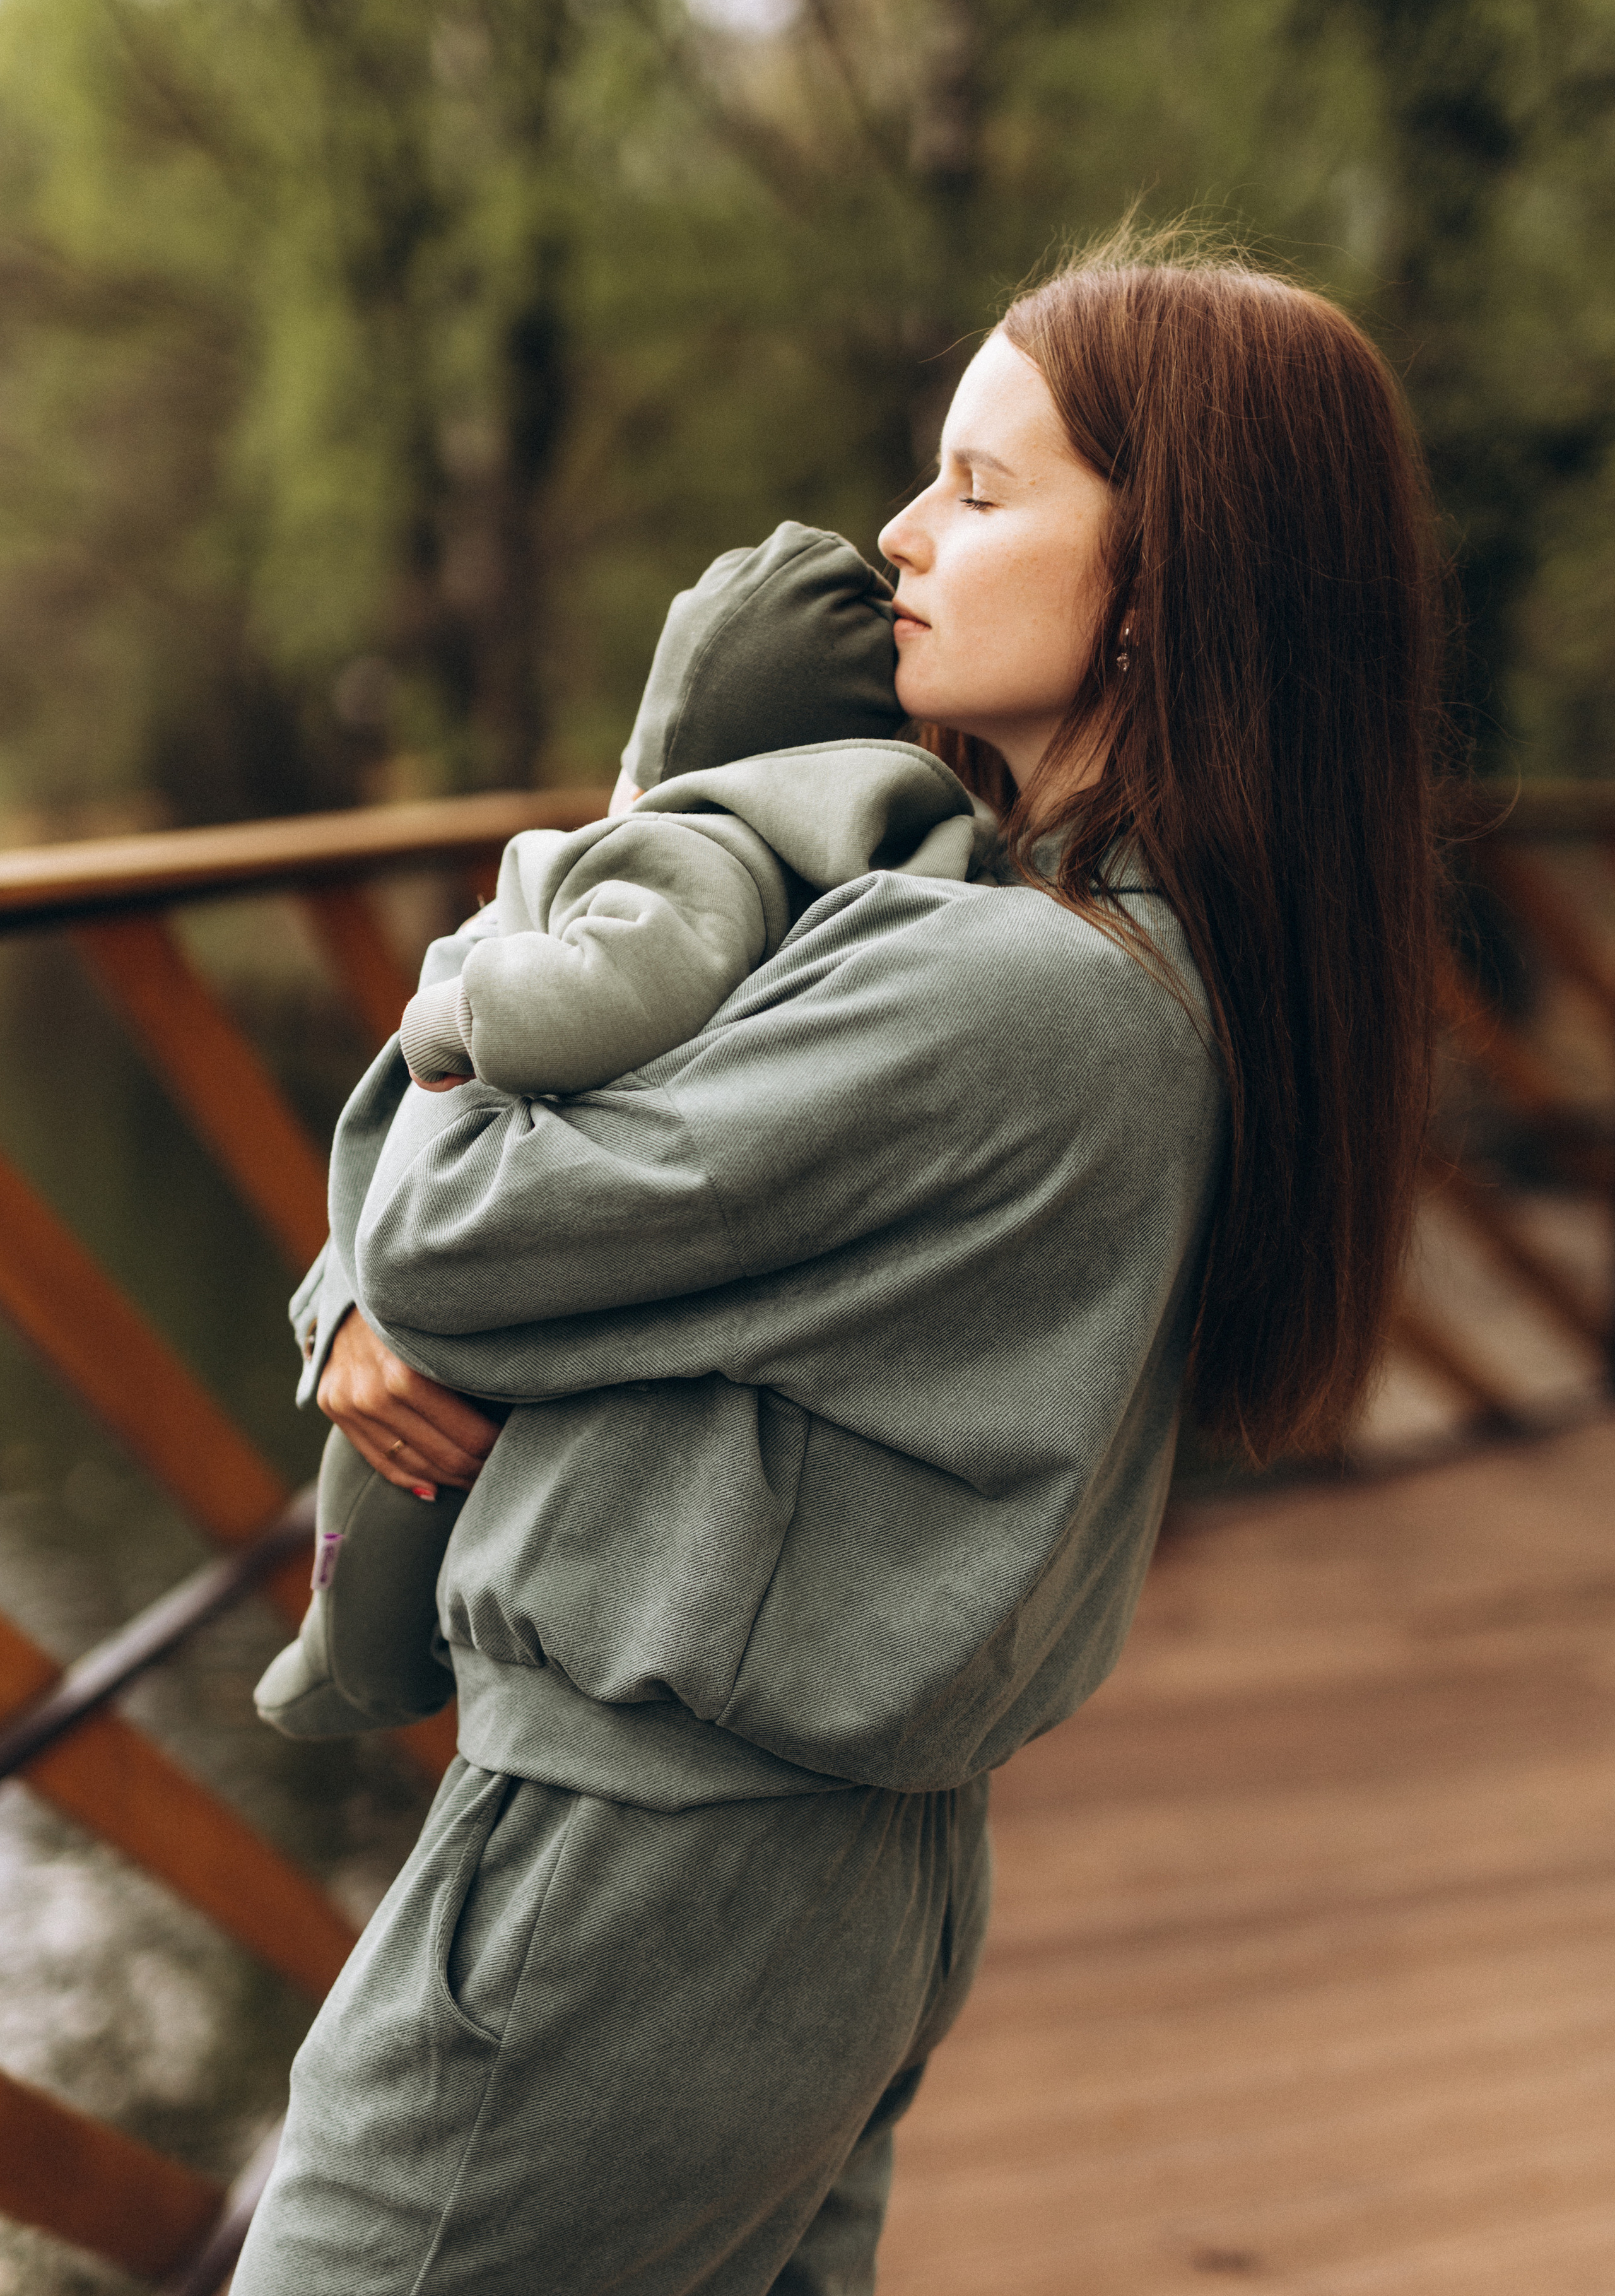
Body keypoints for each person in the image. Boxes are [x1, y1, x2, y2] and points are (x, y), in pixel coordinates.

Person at [234, 232, 1441, 2296]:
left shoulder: (1001, 993)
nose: (898, 538)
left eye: (981, 490)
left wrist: (635, 810)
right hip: (811, 1879)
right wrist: (360, 1296)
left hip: (638, 1874)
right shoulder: (1116, 957)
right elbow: (466, 1246)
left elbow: (450, 1227)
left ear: (1159, 584)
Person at [254, 522, 994, 1740]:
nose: (919, 525)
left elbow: (614, 986)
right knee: (404, 1452)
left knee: (395, 1482)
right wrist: (341, 1295)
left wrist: (461, 1014)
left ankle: (355, 1657)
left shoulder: (693, 852)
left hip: (540, 1334)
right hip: (531, 1285)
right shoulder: (873, 879)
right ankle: (348, 1648)